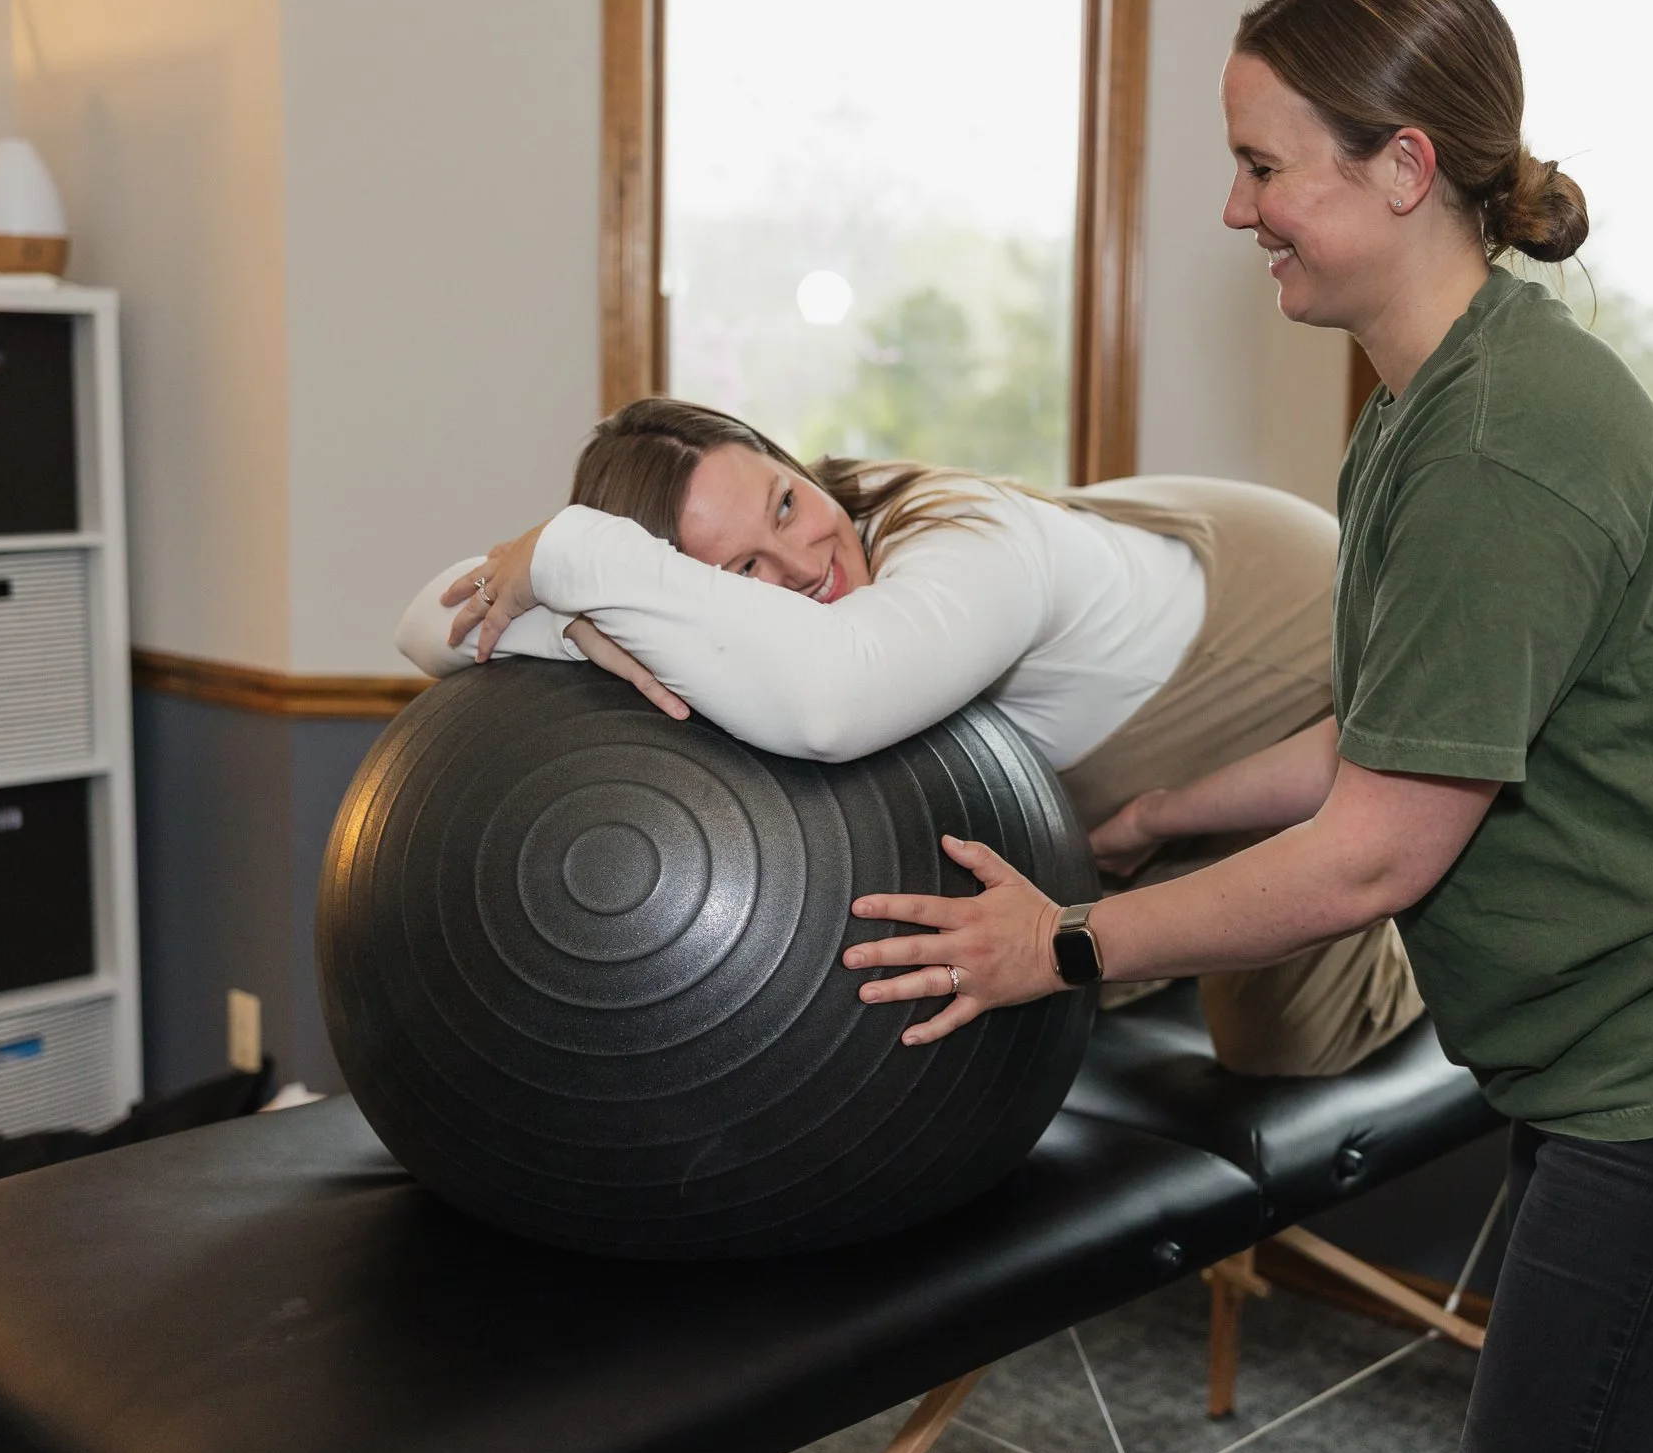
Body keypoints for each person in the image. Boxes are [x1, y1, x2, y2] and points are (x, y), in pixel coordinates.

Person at [831, 0, 1653, 1453]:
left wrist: (1060, 945)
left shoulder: (1491, 448)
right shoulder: (1427, 406)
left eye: (1262, 164)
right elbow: (1401, 728)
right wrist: (1155, 814)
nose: (1236, 208)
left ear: (1403, 165)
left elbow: (1372, 856)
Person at [399, 396, 1422, 1079]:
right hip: (1135, 778)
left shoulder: (969, 543)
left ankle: (1451, 897)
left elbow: (831, 704)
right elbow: (419, 626)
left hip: (1319, 662)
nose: (797, 562)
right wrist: (577, 604)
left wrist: (573, 554)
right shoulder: (733, 615)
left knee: (1288, 1046)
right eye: (736, 569)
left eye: (787, 502)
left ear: (793, 460)